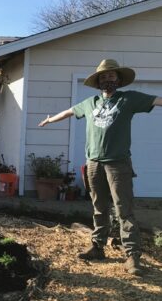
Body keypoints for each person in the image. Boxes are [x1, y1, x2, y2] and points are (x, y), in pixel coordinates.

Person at [38, 59, 162, 275]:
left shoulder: (129, 99)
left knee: (124, 209)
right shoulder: (90, 102)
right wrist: (50, 120)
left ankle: (132, 256)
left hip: (118, 164)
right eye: (103, 77)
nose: (107, 79)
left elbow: (158, 100)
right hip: (94, 163)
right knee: (98, 206)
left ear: (118, 79)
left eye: (111, 76)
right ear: (98, 82)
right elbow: (69, 112)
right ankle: (97, 247)